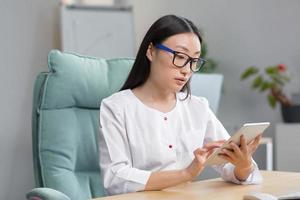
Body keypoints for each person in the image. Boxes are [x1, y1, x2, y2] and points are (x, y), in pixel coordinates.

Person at [98, 15, 262, 196]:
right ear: (151, 51)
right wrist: (186, 174)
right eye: (180, 56)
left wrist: (243, 165)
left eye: (193, 61)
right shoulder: (116, 107)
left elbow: (226, 163)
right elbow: (116, 178)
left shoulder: (197, 107)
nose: (186, 70)